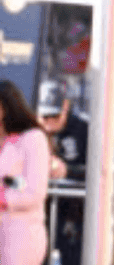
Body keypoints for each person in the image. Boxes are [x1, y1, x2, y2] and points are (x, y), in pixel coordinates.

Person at [0, 79, 50, 265]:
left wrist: (4, 197)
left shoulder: (33, 139)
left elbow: (34, 190)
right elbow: (11, 180)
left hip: (20, 236)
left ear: (7, 107)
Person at [38, 80, 88, 265]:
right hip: (40, 212)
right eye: (44, 117)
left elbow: (98, 171)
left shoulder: (84, 130)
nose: (49, 124)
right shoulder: (32, 131)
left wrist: (68, 170)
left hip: (73, 213)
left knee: (73, 258)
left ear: (65, 107)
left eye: (54, 116)